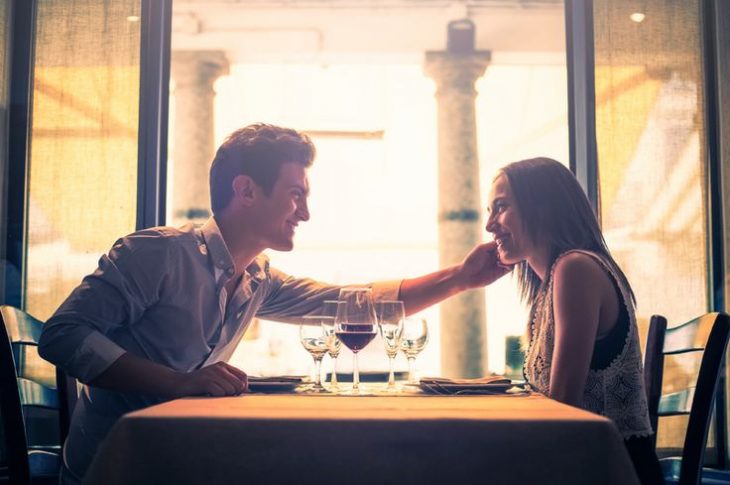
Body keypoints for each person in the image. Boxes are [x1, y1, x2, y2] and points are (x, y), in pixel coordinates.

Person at [39, 123, 509, 484]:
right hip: (114, 470)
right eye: (295, 194)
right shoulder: (156, 253)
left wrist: (462, 278)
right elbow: (62, 335)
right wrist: (179, 383)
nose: (304, 212)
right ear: (245, 190)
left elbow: (351, 302)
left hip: (177, 461)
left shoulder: (257, 277)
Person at [484, 157, 663, 485]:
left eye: (501, 207)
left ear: (541, 206)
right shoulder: (554, 281)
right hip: (588, 463)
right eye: (490, 211)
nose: (490, 225)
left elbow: (563, 405)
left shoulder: (575, 268)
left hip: (610, 470)